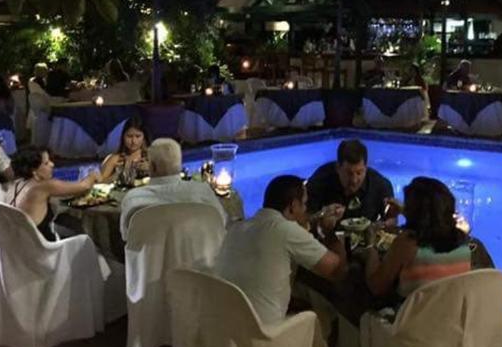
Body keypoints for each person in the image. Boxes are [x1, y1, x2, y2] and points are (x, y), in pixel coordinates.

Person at [214, 175, 346, 326]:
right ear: (293, 206)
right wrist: (328, 232)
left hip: (224, 326)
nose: (305, 210)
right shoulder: (285, 230)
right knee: (325, 317)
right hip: (264, 333)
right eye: (304, 204)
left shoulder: (238, 228)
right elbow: (337, 271)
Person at [362, 177, 472, 298]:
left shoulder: (406, 244)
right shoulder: (464, 242)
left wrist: (370, 246)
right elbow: (433, 220)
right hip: (451, 309)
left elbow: (376, 287)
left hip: (414, 310)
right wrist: (404, 211)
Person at [119, 138, 226, 239]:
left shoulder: (133, 199)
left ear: (152, 166)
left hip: (149, 253)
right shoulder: (203, 192)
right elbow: (222, 222)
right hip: (200, 252)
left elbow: (126, 236)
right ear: (179, 164)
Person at [9, 147, 97, 241]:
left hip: (21, 243)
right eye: (46, 163)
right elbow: (84, 186)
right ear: (34, 171)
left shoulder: (15, 185)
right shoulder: (44, 187)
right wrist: (92, 175)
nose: (52, 164)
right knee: (83, 234)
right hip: (44, 245)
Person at [306, 139, 398, 222]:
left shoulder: (380, 185)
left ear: (366, 168)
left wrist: (387, 223)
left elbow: (391, 220)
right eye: (349, 173)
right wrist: (321, 216)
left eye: (359, 173)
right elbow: (304, 220)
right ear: (338, 168)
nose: (354, 180)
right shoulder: (319, 181)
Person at [99, 117, 150, 186]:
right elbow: (99, 183)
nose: (133, 141)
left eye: (138, 136)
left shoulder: (151, 157)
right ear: (123, 137)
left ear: (144, 137)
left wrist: (150, 170)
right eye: (129, 136)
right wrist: (115, 176)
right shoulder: (115, 159)